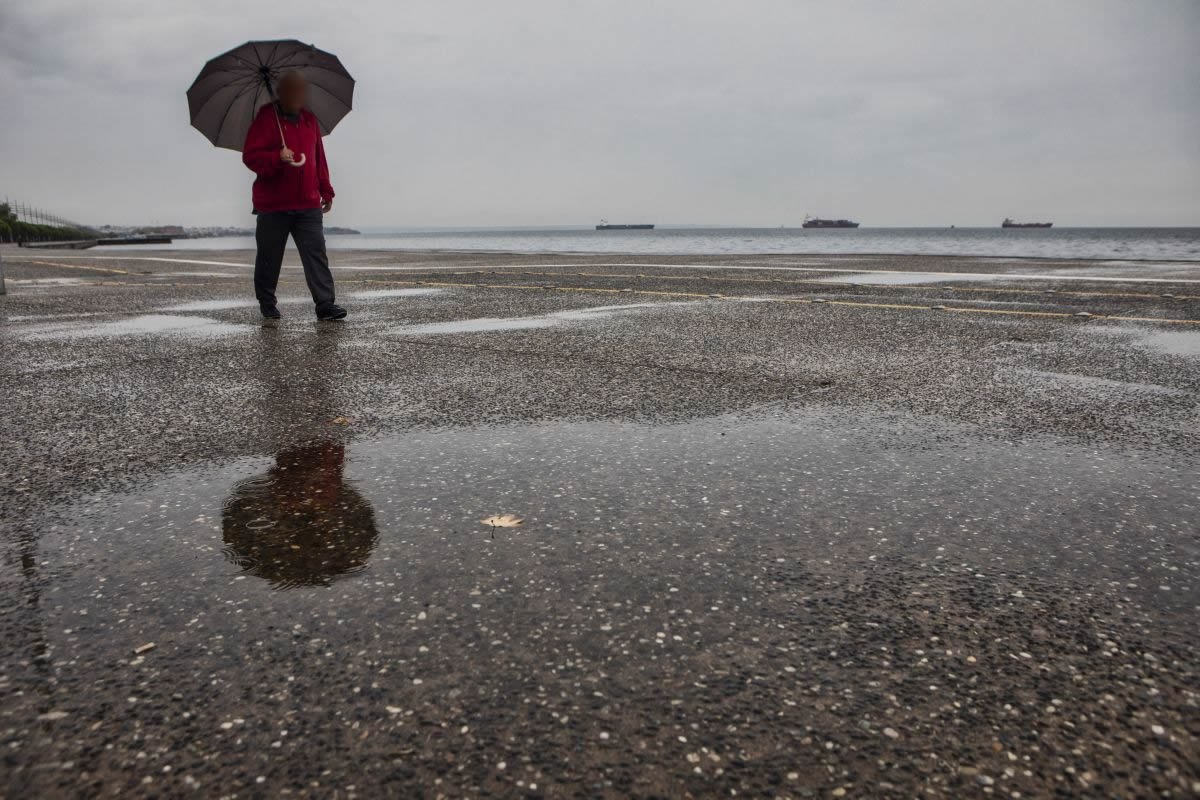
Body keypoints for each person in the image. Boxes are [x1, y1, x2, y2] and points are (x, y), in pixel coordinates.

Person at [242, 71, 346, 321]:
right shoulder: (267, 118)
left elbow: (318, 157)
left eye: (301, 90)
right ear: (281, 92)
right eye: (292, 89)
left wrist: (326, 189)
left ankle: (325, 305)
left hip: (307, 204)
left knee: (316, 255)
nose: (298, 94)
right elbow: (250, 157)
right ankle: (267, 303)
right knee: (269, 257)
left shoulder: (310, 120)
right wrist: (276, 158)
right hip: (273, 205)